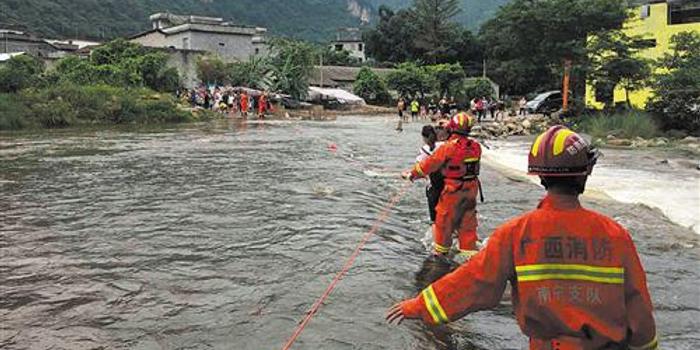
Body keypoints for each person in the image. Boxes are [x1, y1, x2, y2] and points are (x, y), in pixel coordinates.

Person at [388, 125, 658, 350]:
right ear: (586, 173)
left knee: (444, 240)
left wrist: (419, 305)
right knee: (468, 238)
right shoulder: (616, 234)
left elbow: (474, 282)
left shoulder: (516, 233)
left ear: (539, 175)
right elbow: (638, 305)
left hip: (547, 346)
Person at [402, 112, 482, 258]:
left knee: (443, 222)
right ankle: (470, 255)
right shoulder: (476, 147)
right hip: (471, 190)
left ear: (452, 127)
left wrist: (412, 175)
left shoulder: (448, 148)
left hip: (453, 191)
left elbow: (427, 165)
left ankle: (441, 255)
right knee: (468, 223)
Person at [417, 125, 445, 226]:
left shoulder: (424, 150)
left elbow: (420, 169)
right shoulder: (444, 145)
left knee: (435, 219)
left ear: (424, 137)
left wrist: (409, 175)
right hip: (450, 184)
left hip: (434, 186)